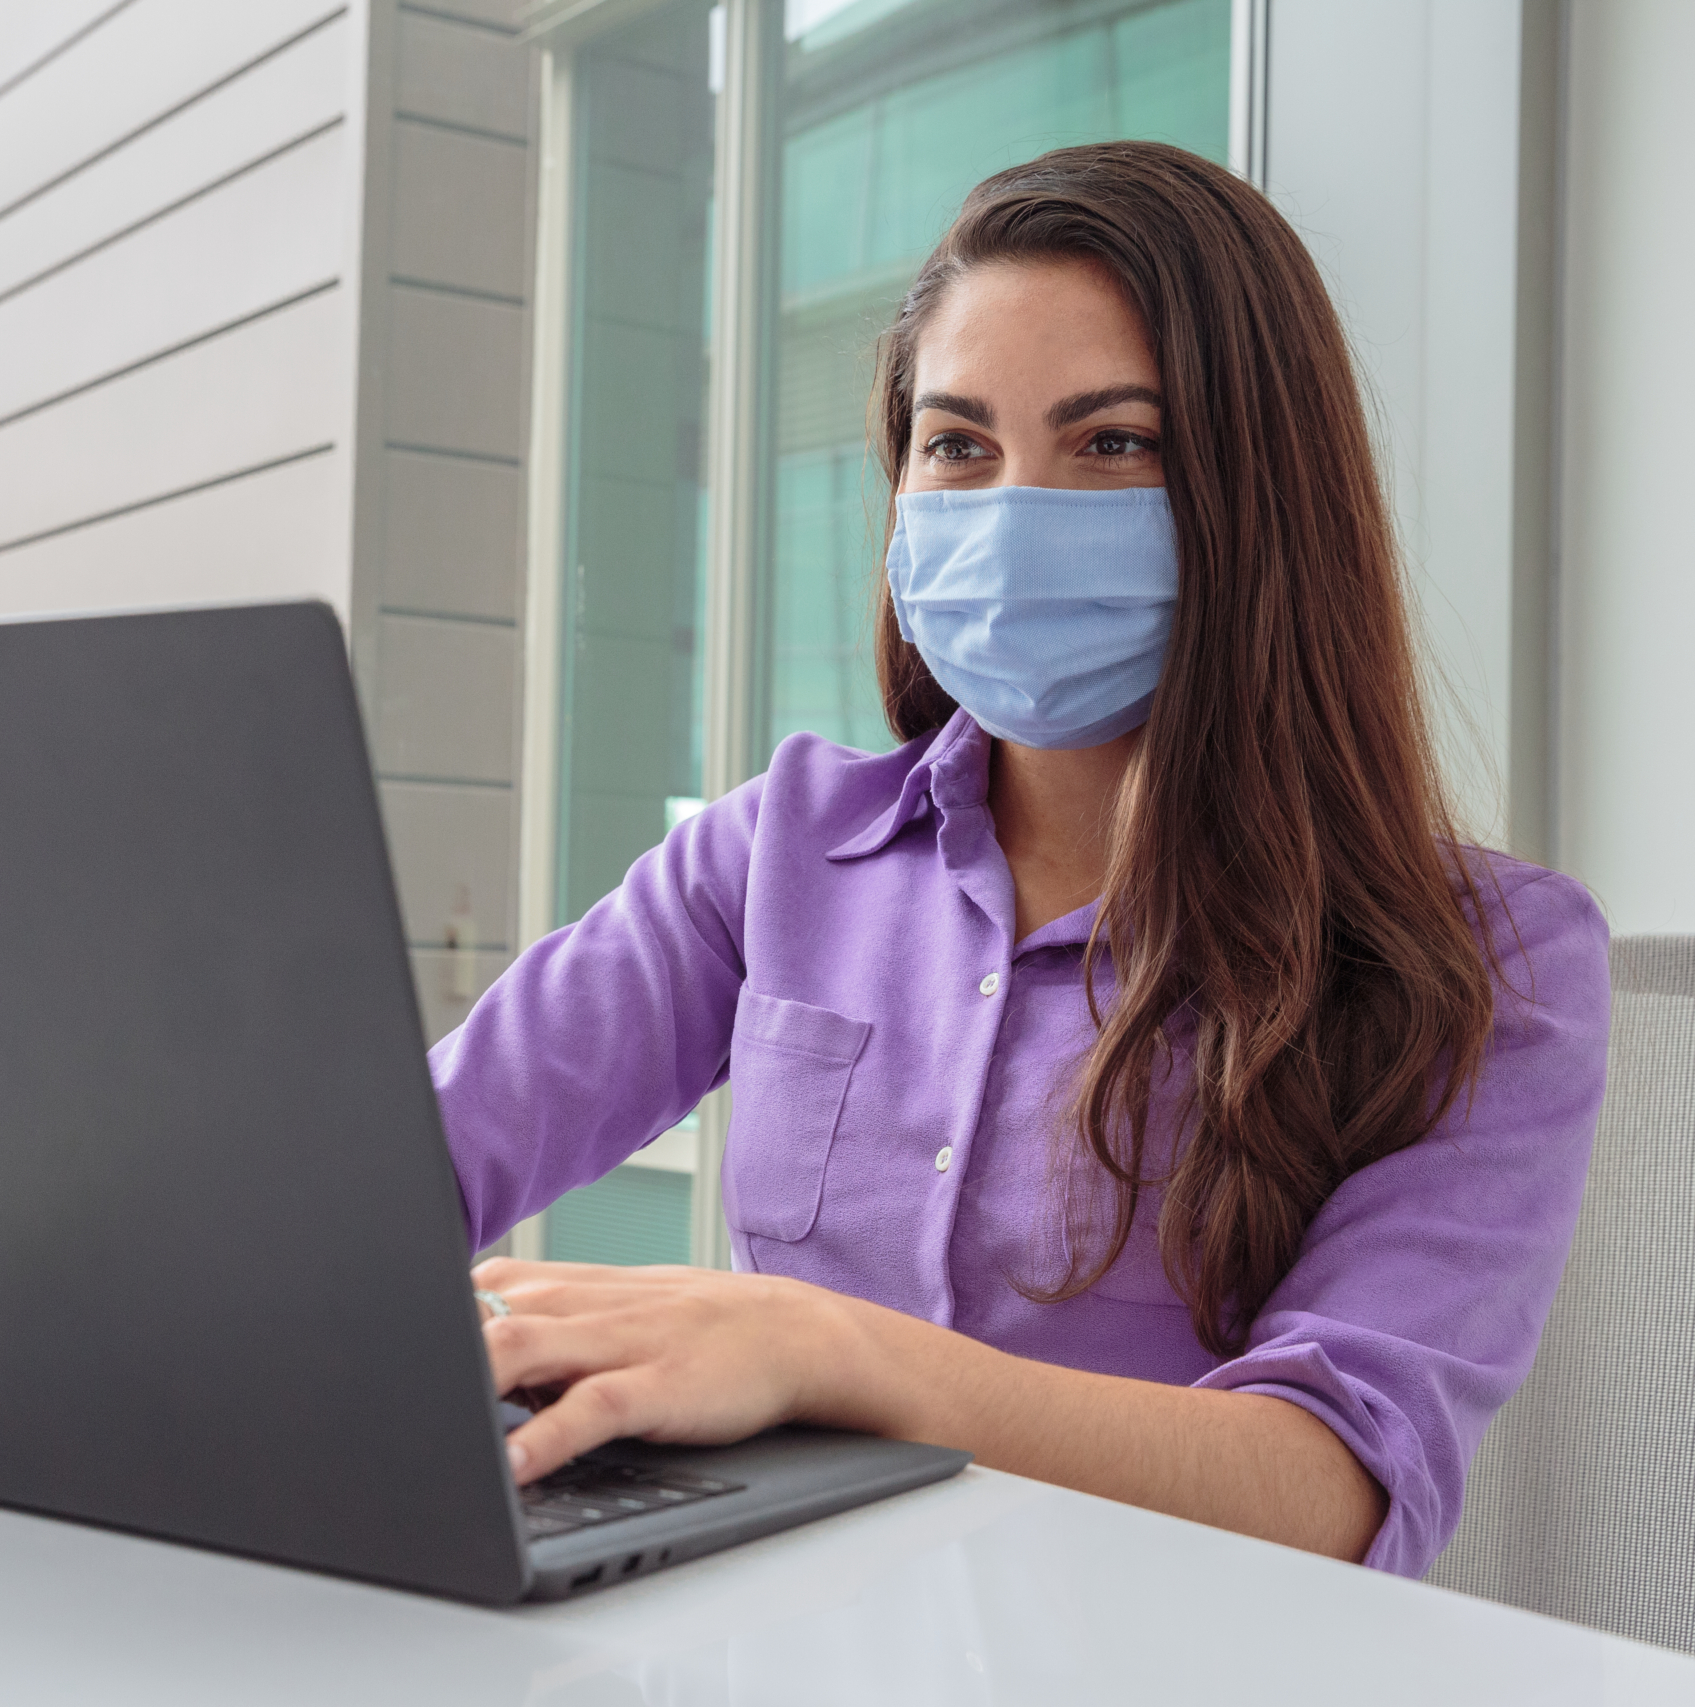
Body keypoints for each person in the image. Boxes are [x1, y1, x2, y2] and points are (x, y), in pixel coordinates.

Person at [434, 140, 1610, 1575]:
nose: (1010, 515)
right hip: (780, 1638)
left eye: (1112, 442)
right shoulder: (778, 851)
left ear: (1261, 495)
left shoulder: (1493, 961)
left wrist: (823, 1353)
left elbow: (1333, 1489)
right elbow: (408, 1171)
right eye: (958, 446)